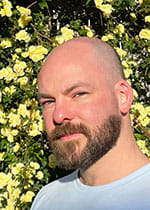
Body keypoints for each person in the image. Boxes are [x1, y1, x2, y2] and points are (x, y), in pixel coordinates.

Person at [31, 37, 150, 210]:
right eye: (49, 102)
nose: (59, 115)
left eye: (78, 94)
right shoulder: (46, 200)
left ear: (122, 97)